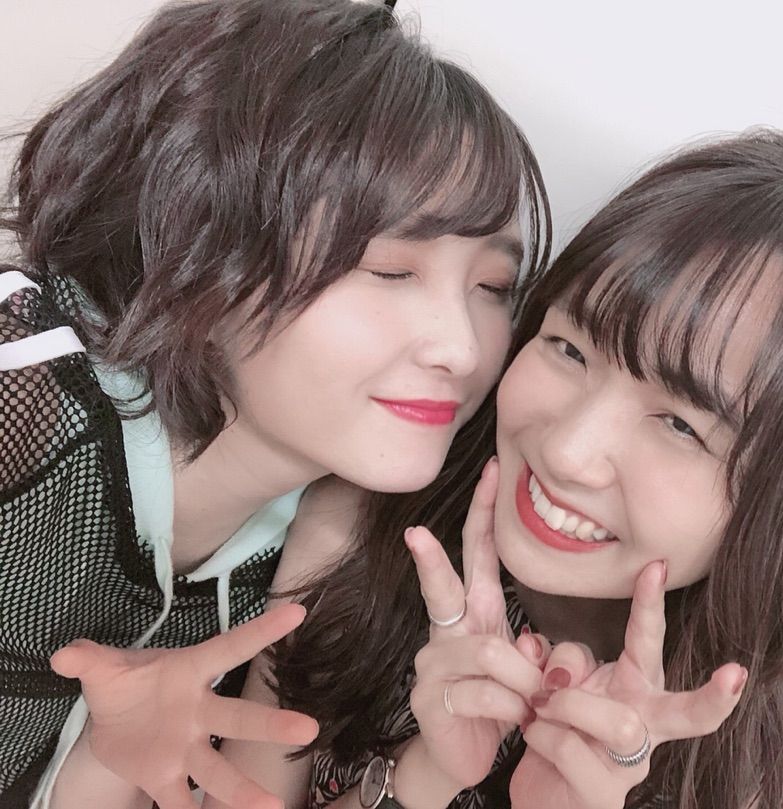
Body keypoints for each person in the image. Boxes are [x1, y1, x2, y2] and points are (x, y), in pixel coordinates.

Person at [226, 129, 783, 808]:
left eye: (681, 425)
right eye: (570, 348)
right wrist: (423, 777)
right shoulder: (367, 525)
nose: (567, 451)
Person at [0, 1, 550, 807]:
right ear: (203, 235)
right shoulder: (25, 399)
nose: (462, 349)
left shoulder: (345, 530)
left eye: (493, 286)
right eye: (391, 271)